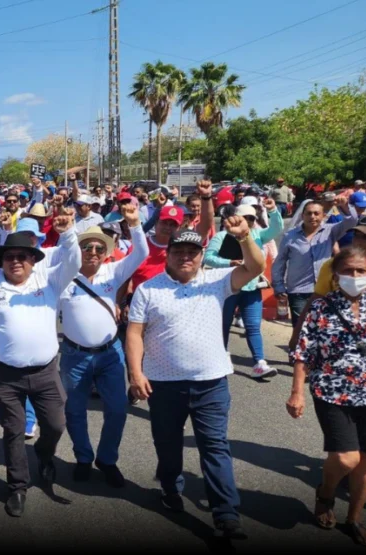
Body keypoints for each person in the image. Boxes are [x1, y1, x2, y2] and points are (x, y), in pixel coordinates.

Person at [126, 215, 267, 541]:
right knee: (168, 444)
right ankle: (171, 487)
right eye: (179, 251)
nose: (186, 257)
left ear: (202, 254)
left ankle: (226, 513)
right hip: (162, 384)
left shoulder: (216, 280)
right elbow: (134, 334)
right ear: (169, 253)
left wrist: (245, 236)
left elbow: (255, 267)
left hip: (211, 383)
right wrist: (136, 373)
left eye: (193, 251)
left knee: (215, 446)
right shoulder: (148, 290)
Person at [0, 209, 78, 517]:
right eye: (10, 256)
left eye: (23, 256)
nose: (16, 261)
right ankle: (17, 487)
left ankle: (43, 452)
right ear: (2, 261)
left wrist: (67, 233)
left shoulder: (50, 282)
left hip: (45, 373)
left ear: (33, 260)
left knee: (56, 425)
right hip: (6, 376)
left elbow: (74, 262)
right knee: (13, 431)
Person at [58, 203, 147, 488]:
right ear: (79, 250)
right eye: (87, 247)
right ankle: (83, 457)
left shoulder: (113, 272)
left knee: (118, 409)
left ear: (105, 251)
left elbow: (142, 253)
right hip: (74, 355)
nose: (93, 252)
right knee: (73, 411)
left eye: (99, 248)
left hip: (110, 354)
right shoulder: (62, 278)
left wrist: (134, 224)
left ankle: (107, 460)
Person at [287, 245, 366, 545]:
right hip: (332, 391)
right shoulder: (321, 307)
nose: (355, 276)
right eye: (348, 271)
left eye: (361, 271)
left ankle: (355, 519)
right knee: (347, 459)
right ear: (335, 275)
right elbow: (302, 352)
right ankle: (326, 492)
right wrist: (297, 392)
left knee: (365, 463)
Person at [204, 198, 284, 379]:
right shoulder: (222, 236)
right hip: (227, 287)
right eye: (244, 217)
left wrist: (272, 211)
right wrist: (229, 262)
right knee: (223, 325)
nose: (248, 221)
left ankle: (259, 362)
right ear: (236, 218)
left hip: (252, 287)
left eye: (252, 218)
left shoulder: (257, 235)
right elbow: (208, 257)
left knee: (253, 326)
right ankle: (221, 357)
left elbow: (276, 229)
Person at [275, 196, 359, 346]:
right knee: (301, 327)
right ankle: (298, 358)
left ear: (323, 215)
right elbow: (279, 262)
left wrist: (344, 206)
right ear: (302, 216)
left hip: (325, 290)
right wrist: (279, 285)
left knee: (324, 327)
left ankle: (316, 360)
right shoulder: (290, 237)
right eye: (309, 213)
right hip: (298, 291)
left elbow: (352, 220)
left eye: (316, 213)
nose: (312, 217)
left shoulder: (331, 231)